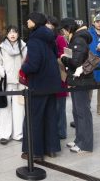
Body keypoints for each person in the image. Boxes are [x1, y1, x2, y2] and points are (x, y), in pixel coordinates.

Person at [20, 12, 61, 159]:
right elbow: (55, 56)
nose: (27, 21)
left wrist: (23, 67)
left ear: (35, 22)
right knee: (50, 116)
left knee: (34, 118)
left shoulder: (34, 40)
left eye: (29, 19)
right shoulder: (50, 37)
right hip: (52, 83)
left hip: (39, 83)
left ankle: (34, 151)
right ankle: (51, 148)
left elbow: (34, 65)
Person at [60, 18, 94, 154]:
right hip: (76, 80)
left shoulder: (78, 40)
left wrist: (63, 58)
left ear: (68, 28)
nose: (62, 33)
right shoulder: (75, 39)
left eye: (63, 30)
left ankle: (85, 144)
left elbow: (75, 61)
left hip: (82, 80)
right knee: (77, 111)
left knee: (82, 112)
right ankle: (79, 139)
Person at [0, 25, 27, 144]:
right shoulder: (0, 48)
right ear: (6, 34)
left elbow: (27, 63)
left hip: (20, 82)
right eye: (10, 32)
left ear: (18, 34)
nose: (12, 34)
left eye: (15, 32)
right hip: (6, 82)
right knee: (5, 108)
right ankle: (4, 135)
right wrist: (4, 74)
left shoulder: (24, 47)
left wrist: (23, 74)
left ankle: (18, 134)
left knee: (19, 108)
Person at [46, 16, 69, 140]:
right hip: (48, 76)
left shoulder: (60, 38)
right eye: (46, 23)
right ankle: (52, 130)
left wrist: (54, 57)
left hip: (59, 75)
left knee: (60, 107)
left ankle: (61, 131)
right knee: (51, 107)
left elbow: (65, 54)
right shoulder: (44, 38)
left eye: (50, 24)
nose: (48, 26)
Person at [88, 14, 100, 115]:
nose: (99, 24)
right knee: (89, 87)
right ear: (93, 23)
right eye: (97, 22)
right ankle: (87, 106)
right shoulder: (88, 33)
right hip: (90, 64)